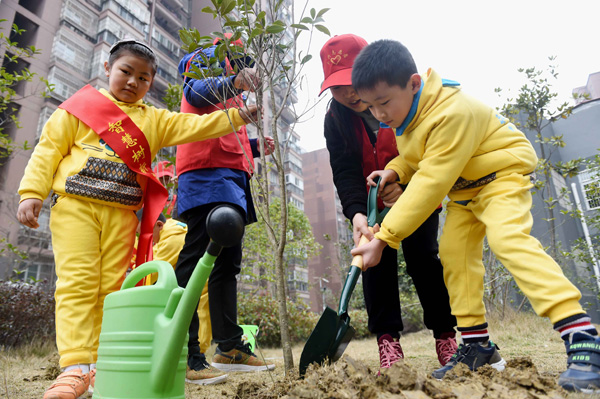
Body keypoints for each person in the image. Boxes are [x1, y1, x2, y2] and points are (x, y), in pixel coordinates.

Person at [349, 39, 600, 391]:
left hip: (500, 177)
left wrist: (386, 237)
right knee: (453, 255)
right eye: (371, 106)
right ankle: (477, 345)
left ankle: (582, 336)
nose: (379, 114)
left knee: (507, 239)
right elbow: (416, 158)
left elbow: (432, 182)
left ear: (414, 84)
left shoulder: (452, 112)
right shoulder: (410, 116)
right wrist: (395, 170)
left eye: (384, 102)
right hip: (466, 191)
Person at [16, 39, 258, 399]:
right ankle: (73, 365)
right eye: (125, 72)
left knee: (112, 290)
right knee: (78, 282)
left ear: (151, 83)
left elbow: (195, 127)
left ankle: (100, 364)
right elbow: (48, 149)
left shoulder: (154, 120)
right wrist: (31, 193)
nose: (132, 81)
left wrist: (239, 116)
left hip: (123, 214)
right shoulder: (79, 108)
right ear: (107, 69)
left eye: (143, 77)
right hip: (75, 207)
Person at [319, 34, 457, 371]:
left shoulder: (401, 100)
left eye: (351, 82)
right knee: (374, 266)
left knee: (424, 260)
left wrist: (405, 185)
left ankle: (446, 337)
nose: (348, 93)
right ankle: (388, 343)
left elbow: (431, 154)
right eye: (337, 87)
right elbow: (345, 172)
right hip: (371, 207)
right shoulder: (336, 119)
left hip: (419, 196)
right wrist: (355, 214)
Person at [175, 34, 276, 382]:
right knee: (196, 261)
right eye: (238, 60)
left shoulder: (232, 93)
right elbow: (193, 94)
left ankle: (229, 346)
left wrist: (255, 146)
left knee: (226, 265)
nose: (243, 67)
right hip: (205, 175)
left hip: (233, 179)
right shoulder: (203, 61)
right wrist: (232, 80)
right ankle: (184, 352)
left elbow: (226, 134)